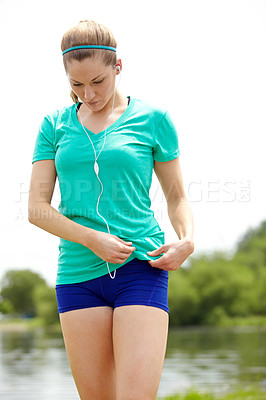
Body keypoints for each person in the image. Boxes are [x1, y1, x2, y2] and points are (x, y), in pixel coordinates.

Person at [28, 19, 194, 400]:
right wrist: (93, 240)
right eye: (76, 84)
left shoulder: (154, 120)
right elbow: (37, 208)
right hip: (77, 274)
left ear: (117, 67)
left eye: (97, 82)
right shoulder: (54, 125)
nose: (88, 94)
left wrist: (188, 239)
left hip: (141, 265)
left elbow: (177, 196)